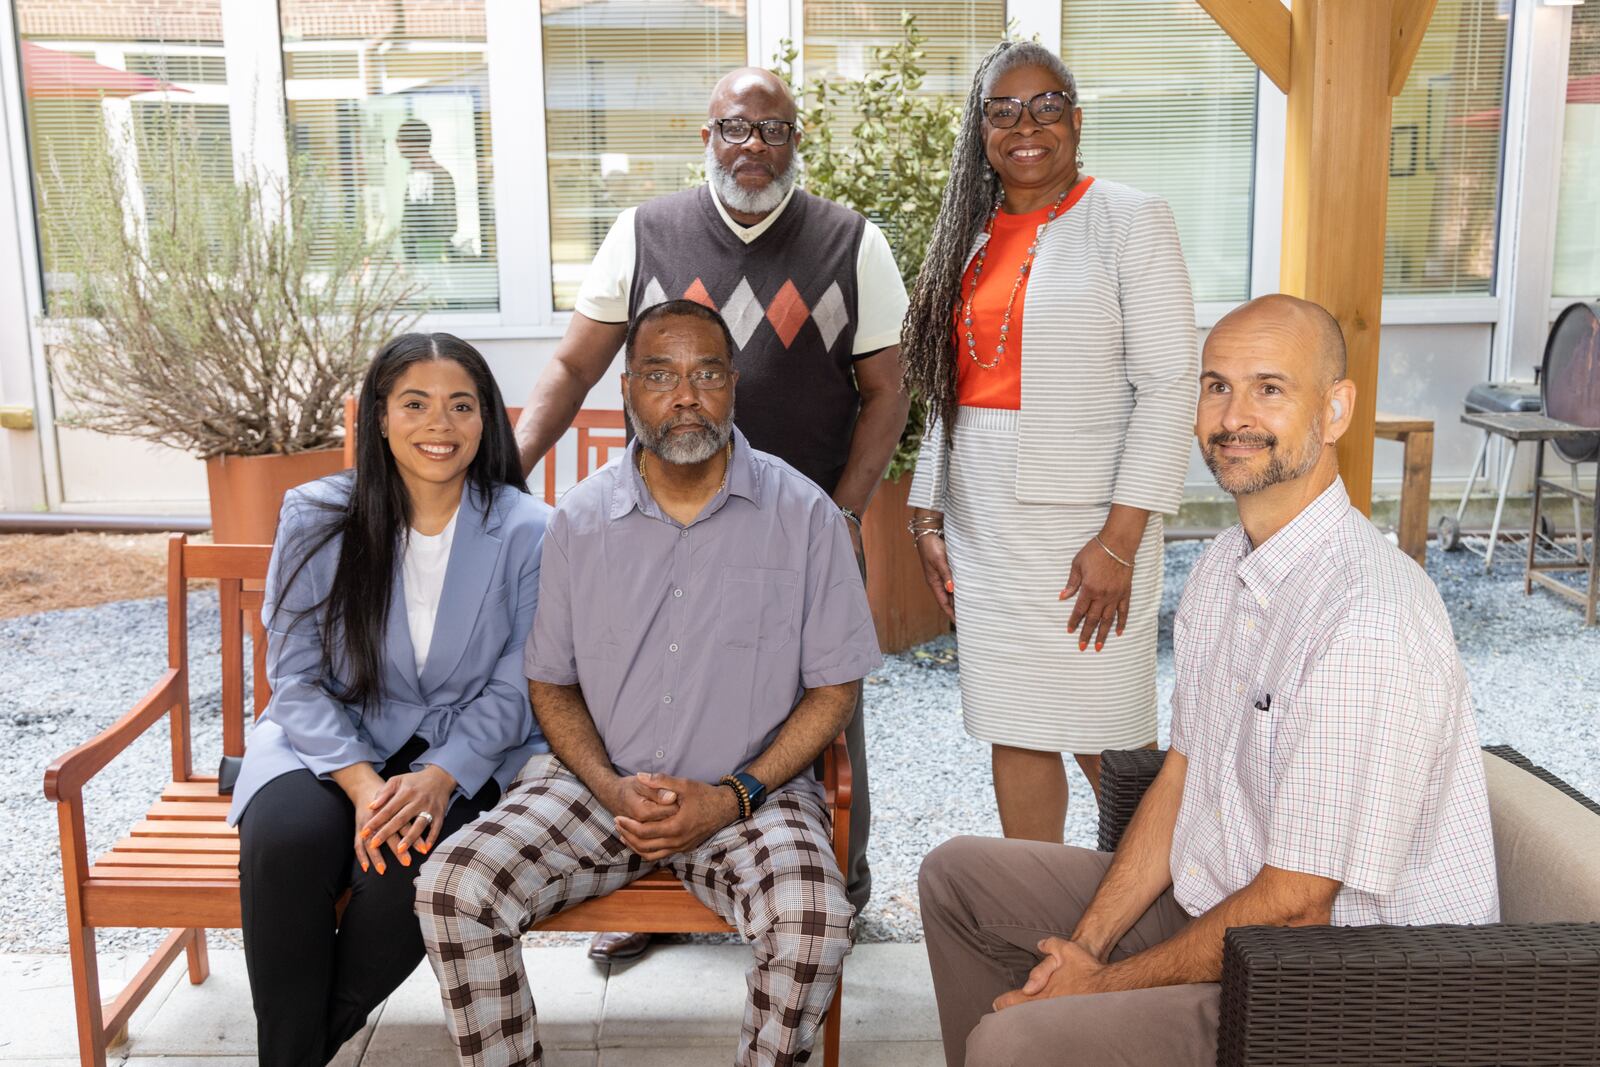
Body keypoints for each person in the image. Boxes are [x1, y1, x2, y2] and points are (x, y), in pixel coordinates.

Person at [918, 294, 1500, 1067]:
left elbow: (1297, 906)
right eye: (1216, 385)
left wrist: (1101, 988)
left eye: (1269, 388)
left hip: (1341, 990)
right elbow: (1183, 775)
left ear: (1335, 410)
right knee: (957, 876)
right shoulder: (1227, 566)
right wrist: (1083, 948)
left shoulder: (1367, 619)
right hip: (1225, 911)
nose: (1233, 416)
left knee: (1016, 1040)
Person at [415, 300, 881, 1066]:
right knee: (453, 888)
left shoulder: (806, 516)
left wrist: (730, 795)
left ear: (734, 386)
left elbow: (836, 689)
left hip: (748, 794)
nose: (685, 396)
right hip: (599, 786)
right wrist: (605, 782)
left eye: (706, 374)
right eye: (661, 375)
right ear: (628, 390)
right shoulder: (581, 521)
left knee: (814, 921)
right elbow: (551, 683)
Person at [512, 64, 909, 960]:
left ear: (795, 141)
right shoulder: (644, 232)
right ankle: (654, 894)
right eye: (735, 129)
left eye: (772, 131)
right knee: (656, 695)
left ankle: (833, 892)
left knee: (827, 701)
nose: (753, 148)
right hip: (663, 515)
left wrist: (845, 509)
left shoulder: (853, 243)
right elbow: (575, 369)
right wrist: (504, 476)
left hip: (793, 523)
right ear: (707, 138)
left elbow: (888, 390)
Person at [901, 40, 1199, 843]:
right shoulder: (967, 230)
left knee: (1110, 730)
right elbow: (947, 384)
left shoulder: (1131, 218)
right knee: (1015, 724)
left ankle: (1150, 912)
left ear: (1075, 118)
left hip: (1089, 527)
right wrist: (927, 513)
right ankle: (1038, 911)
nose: (1025, 124)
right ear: (982, 128)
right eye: (1003, 109)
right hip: (983, 523)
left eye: (1046, 105)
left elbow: (1172, 385)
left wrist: (1121, 541)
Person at [227, 333, 551, 1067]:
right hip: (328, 744)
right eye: (416, 403)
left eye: (461, 406)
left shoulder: (530, 529)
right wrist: (364, 784)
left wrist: (440, 777)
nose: (440, 424)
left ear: (486, 420)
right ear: (379, 415)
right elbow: (297, 674)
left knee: (407, 867)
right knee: (284, 841)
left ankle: (291, 1054)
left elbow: (521, 680)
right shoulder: (317, 514)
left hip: (462, 756)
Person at [397, 118, 459, 262]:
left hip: (427, 252)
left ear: (413, 143)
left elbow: (421, 220)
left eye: (400, 139)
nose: (397, 144)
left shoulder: (423, 175)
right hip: (429, 250)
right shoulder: (431, 172)